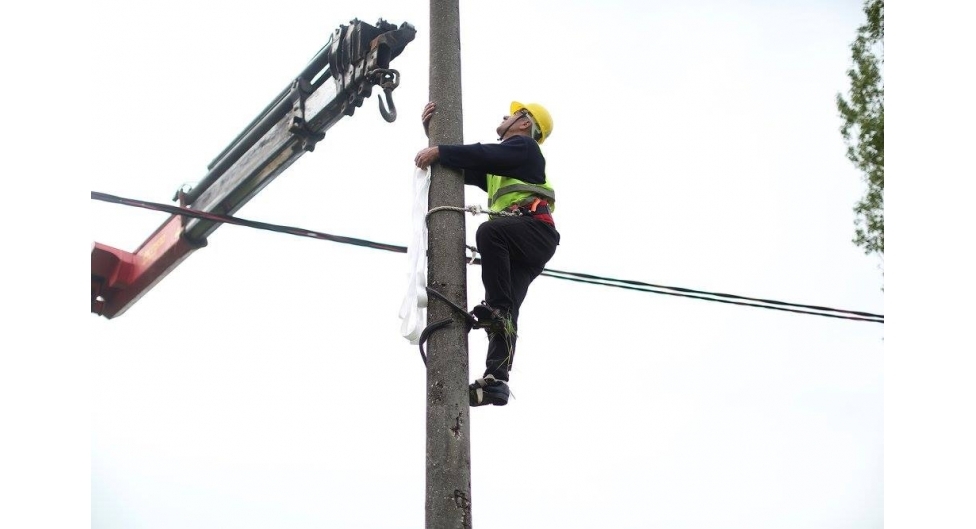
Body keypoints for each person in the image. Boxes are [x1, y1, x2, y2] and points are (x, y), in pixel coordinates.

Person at [415, 101, 560, 407]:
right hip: (525, 242)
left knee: (490, 233)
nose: (506, 116)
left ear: (525, 123)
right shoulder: (504, 167)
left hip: (532, 231)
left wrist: (440, 149)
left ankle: (496, 310)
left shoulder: (524, 147)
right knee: (508, 311)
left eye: (514, 114)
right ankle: (497, 380)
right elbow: (463, 167)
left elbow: (481, 154)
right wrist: (434, 135)